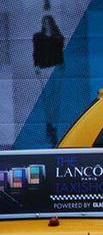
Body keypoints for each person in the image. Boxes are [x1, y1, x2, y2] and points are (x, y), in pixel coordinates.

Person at [32, 15, 64, 145]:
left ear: (51, 23)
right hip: (44, 69)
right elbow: (36, 52)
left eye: (48, 22)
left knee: (55, 99)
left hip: (56, 69)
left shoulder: (58, 37)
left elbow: (60, 53)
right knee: (47, 100)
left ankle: (53, 127)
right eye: (44, 22)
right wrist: (36, 66)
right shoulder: (38, 37)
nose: (46, 24)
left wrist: (62, 67)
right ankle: (50, 126)